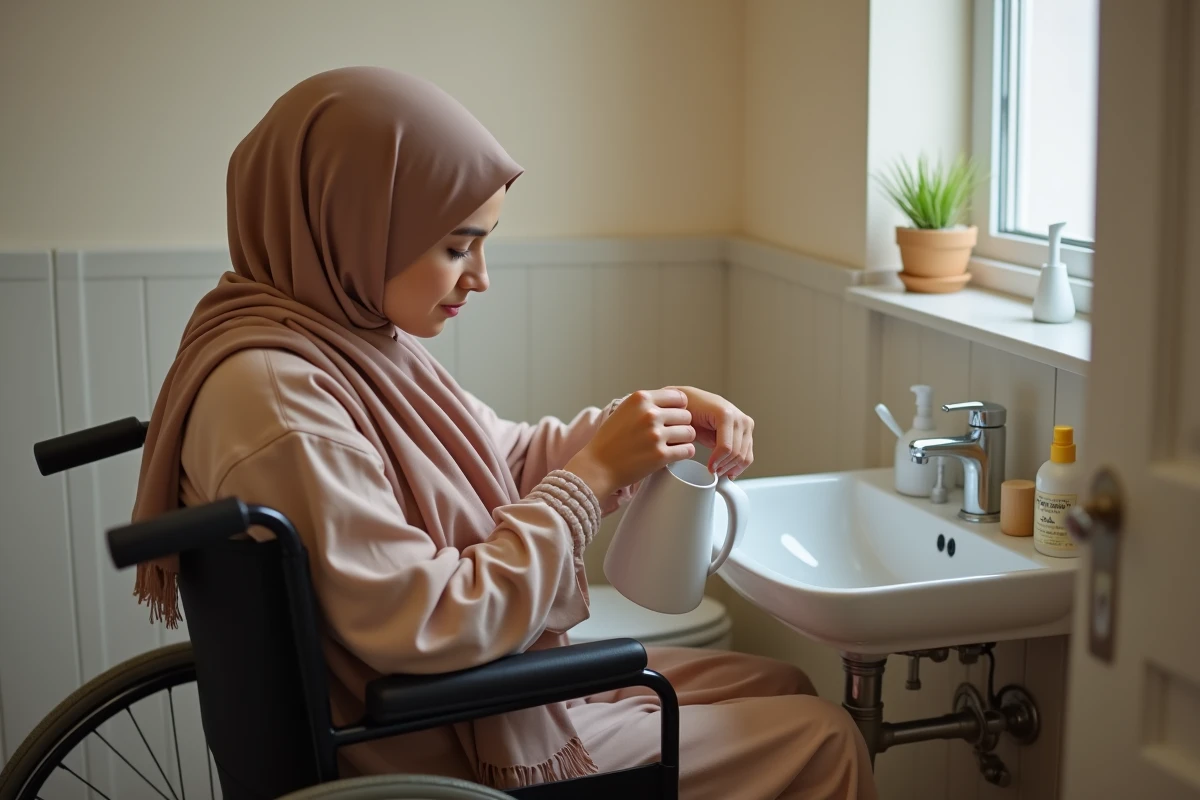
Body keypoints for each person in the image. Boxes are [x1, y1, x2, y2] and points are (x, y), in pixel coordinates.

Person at [129, 66, 876, 800]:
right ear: (353, 228)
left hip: (466, 693)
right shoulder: (283, 401)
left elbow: (505, 454)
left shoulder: (343, 337)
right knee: (824, 739)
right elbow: (428, 619)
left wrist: (649, 423)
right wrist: (589, 480)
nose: (480, 275)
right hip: (428, 745)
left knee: (780, 681)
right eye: (456, 247)